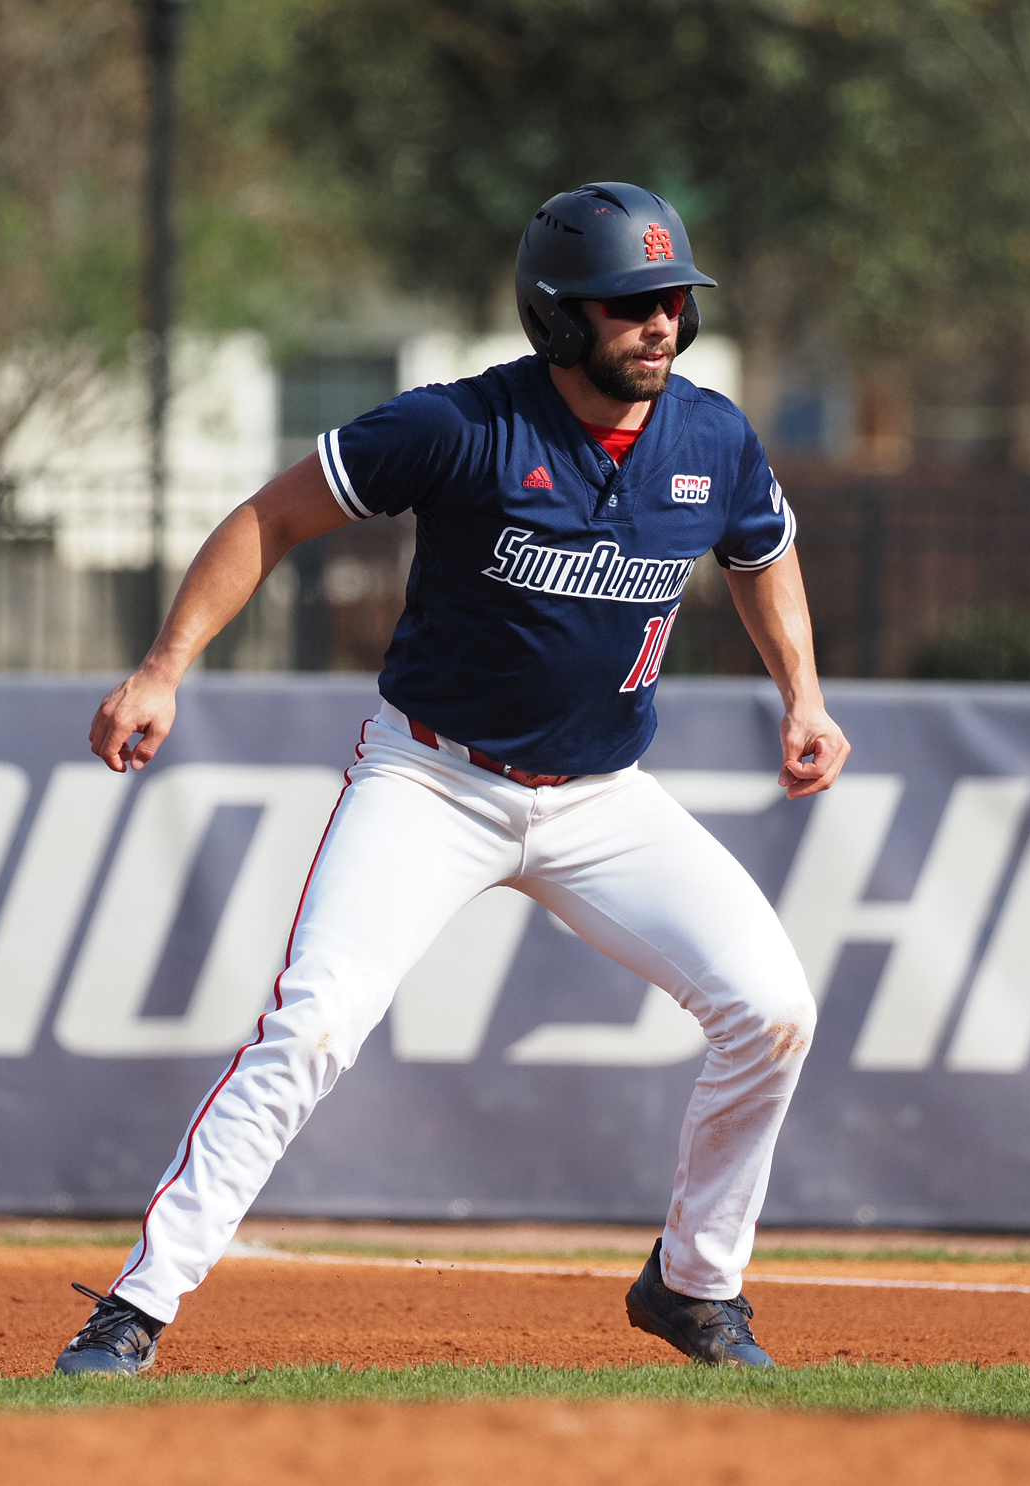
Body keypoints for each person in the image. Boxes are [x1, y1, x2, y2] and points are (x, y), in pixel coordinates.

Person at [56, 182, 849, 1376]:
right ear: (554, 317)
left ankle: (693, 1286)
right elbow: (269, 518)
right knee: (314, 1023)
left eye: (673, 299)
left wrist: (803, 694)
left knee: (773, 1011)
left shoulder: (712, 436)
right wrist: (163, 669)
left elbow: (761, 550)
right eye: (629, 303)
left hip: (603, 801)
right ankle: (135, 1308)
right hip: (431, 782)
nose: (661, 323)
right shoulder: (459, 426)